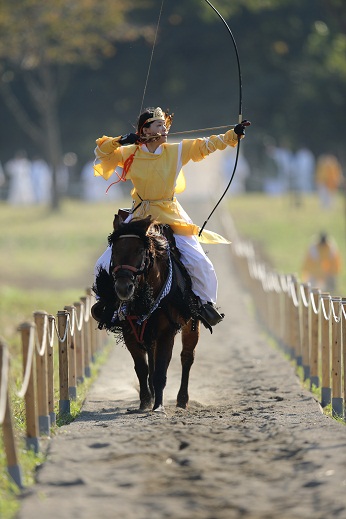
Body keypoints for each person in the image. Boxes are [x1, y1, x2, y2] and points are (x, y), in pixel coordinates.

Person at [93, 106, 249, 328]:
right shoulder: (129, 153)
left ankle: (204, 305)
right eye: (158, 125)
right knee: (104, 262)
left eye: (165, 126)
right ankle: (109, 305)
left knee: (200, 262)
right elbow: (101, 153)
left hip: (170, 216)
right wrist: (120, 140)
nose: (164, 129)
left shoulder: (176, 151)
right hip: (140, 217)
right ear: (145, 130)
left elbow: (206, 145)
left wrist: (233, 135)